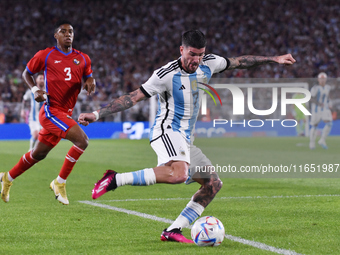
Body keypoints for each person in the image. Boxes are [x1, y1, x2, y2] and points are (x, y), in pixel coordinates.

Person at [78, 30, 295, 243]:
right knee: (179, 174)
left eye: (200, 54)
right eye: (192, 54)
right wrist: (97, 114)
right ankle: (115, 179)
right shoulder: (165, 74)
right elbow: (132, 98)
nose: (196, 60)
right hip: (167, 130)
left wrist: (274, 59)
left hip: (186, 138)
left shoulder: (209, 63)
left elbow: (240, 61)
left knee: (212, 184)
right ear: (181, 50)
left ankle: (173, 230)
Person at [0, 20, 96, 205]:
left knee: (38, 154)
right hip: (51, 111)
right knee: (82, 140)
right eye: (63, 31)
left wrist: (91, 80)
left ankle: (7, 178)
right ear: (56, 36)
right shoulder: (46, 55)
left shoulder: (83, 58)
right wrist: (35, 90)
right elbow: (26, 73)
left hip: (65, 114)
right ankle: (59, 182)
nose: (68, 34)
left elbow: (88, 75)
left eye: (71, 32)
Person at [21, 73, 45, 151]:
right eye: (40, 78)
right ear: (36, 80)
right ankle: (31, 150)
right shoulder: (32, 91)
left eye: (43, 78)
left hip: (44, 118)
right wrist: (22, 110)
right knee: (35, 135)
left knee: (41, 137)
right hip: (33, 118)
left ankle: (35, 151)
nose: (42, 80)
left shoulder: (48, 91)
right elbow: (24, 99)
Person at [309, 72, 332, 149]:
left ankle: (322, 140)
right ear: (318, 79)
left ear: (326, 79)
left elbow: (328, 97)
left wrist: (329, 103)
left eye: (323, 79)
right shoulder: (315, 88)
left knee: (329, 123)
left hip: (325, 109)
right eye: (321, 79)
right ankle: (312, 143)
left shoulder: (328, 87)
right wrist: (318, 103)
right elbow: (311, 98)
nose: (322, 80)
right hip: (316, 110)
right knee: (314, 126)